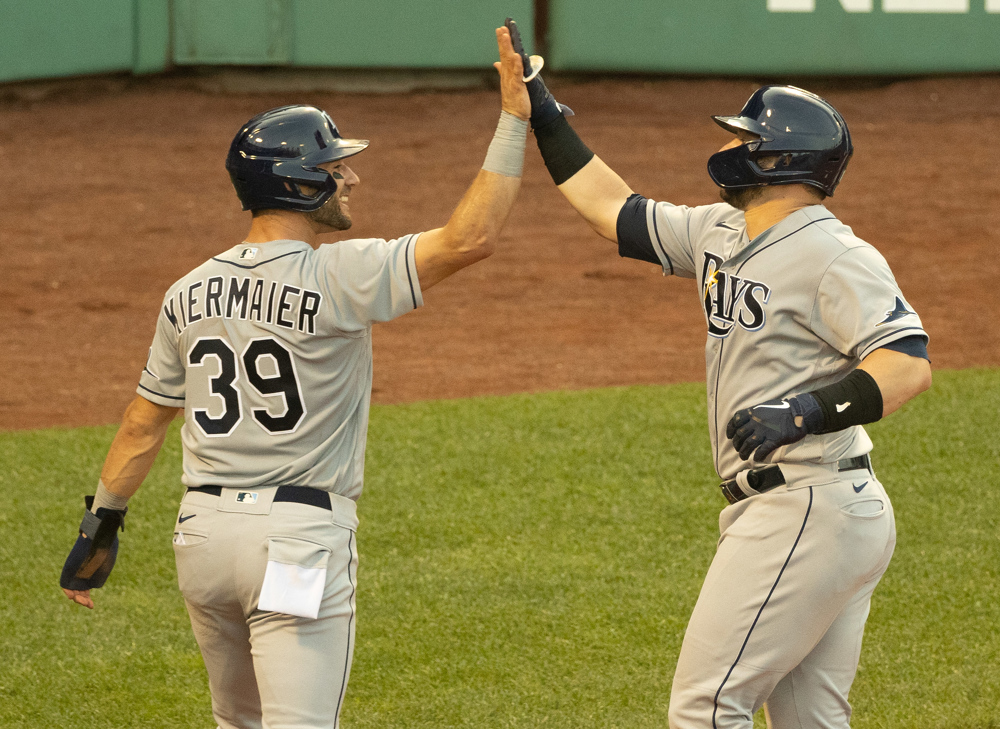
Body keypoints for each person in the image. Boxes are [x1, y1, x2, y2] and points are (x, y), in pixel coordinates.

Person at [59, 25, 531, 729]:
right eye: (336, 168)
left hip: (203, 541)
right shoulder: (342, 275)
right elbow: (471, 238)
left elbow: (141, 422)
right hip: (296, 540)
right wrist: (514, 120)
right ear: (300, 182)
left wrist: (101, 521)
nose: (351, 177)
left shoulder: (186, 291)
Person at [509, 30, 931, 729]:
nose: (731, 146)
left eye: (746, 137)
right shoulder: (719, 232)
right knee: (809, 719)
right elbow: (613, 208)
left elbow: (907, 363)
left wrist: (803, 411)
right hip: (815, 509)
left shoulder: (834, 254)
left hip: (807, 504)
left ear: (781, 157)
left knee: (707, 705)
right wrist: (543, 112)